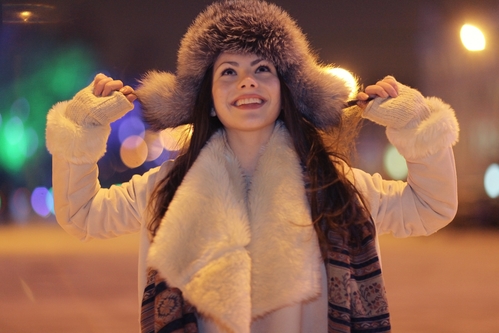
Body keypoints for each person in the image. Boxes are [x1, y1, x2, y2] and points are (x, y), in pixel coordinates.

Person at [45, 0, 459, 332]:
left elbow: (430, 206)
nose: (247, 82)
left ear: (288, 89)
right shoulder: (166, 187)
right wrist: (84, 125)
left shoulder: (335, 185)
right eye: (229, 71)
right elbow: (82, 214)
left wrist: (415, 123)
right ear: (206, 95)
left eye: (263, 69)